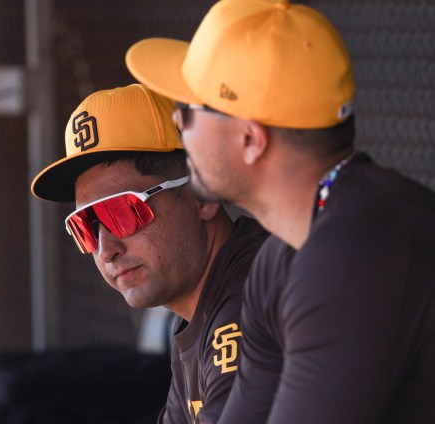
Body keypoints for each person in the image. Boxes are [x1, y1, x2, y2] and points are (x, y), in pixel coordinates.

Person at [124, 0, 435, 423]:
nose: (178, 122)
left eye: (191, 112)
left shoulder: (357, 249)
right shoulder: (280, 259)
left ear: (251, 139)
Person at [30, 83, 268, 423]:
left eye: (122, 212)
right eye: (86, 226)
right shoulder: (198, 313)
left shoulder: (247, 303)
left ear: (203, 192)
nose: (105, 249)